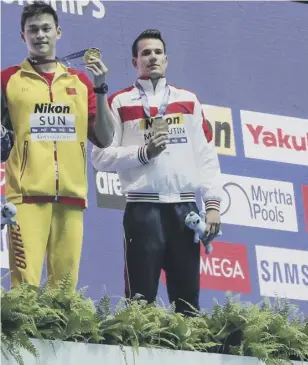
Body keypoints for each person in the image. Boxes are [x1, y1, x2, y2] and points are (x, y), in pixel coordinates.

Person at [91, 29, 222, 314]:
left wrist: (212, 205)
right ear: (134, 61)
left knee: (188, 304)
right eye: (145, 53)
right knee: (140, 303)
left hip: (184, 211)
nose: (152, 57)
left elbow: (207, 157)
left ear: (167, 60)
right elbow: (100, 157)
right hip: (142, 210)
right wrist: (143, 153)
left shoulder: (188, 100)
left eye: (158, 52)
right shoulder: (119, 102)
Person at [1, 1, 115, 290]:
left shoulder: (81, 82)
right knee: (24, 290)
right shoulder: (7, 80)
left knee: (64, 293)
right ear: (22, 36)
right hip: (25, 199)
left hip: (71, 197)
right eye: (33, 29)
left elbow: (105, 137)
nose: (40, 35)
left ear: (58, 32)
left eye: (46, 28)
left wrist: (101, 88)